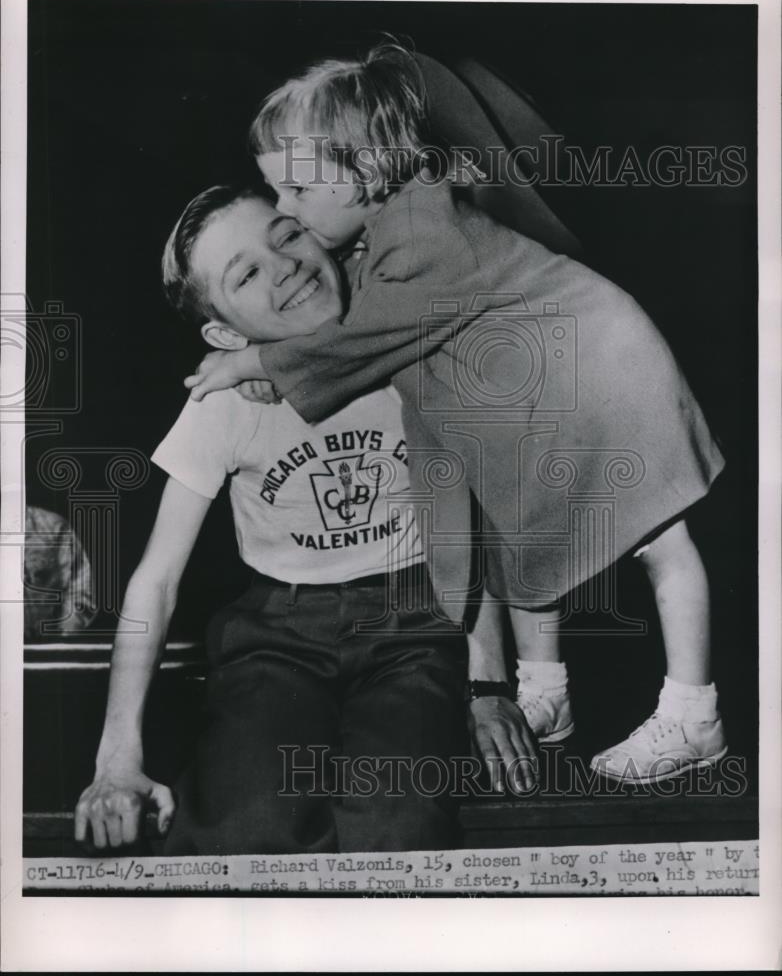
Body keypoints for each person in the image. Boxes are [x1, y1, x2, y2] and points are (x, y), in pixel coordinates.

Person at [185, 43, 728, 784]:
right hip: (548, 376)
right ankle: (543, 693)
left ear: (363, 171)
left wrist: (248, 362)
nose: (287, 210)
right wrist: (267, 369)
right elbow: (344, 309)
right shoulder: (393, 222)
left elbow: (359, 337)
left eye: (297, 192)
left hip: (606, 366)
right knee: (519, 533)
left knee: (663, 542)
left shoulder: (423, 236)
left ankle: (693, 714)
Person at [74, 186, 536, 856]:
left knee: (399, 828)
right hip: (276, 635)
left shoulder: (418, 347)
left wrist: (487, 685)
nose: (282, 264)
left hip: (411, 625)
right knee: (245, 825)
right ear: (225, 335)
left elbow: (469, 527)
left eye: (286, 235)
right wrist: (115, 761)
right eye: (247, 274)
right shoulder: (225, 399)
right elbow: (156, 581)